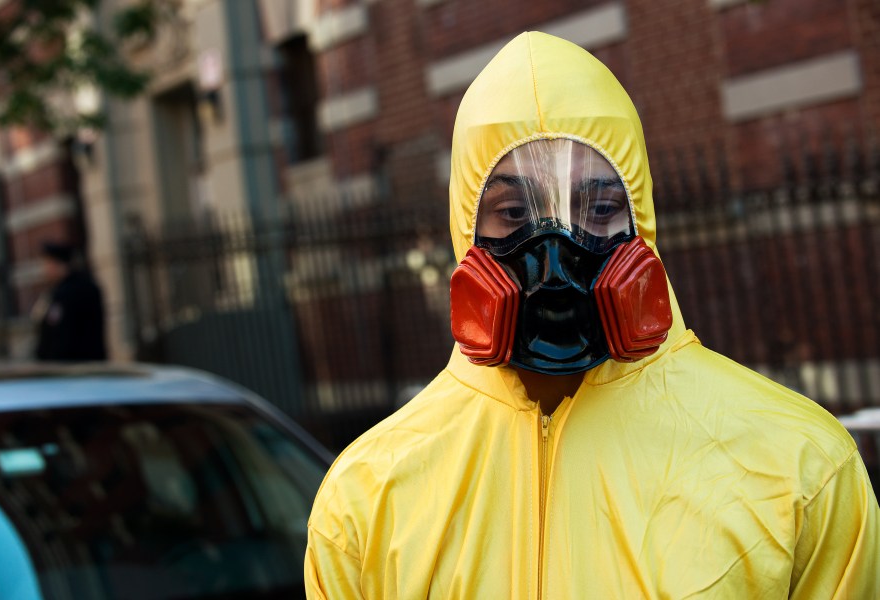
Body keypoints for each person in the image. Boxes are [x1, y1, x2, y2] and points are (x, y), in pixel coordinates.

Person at [304, 32, 879, 598]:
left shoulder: (799, 471)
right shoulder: (366, 502)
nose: (555, 254)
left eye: (600, 208)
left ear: (642, 223)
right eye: (512, 211)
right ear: (465, 232)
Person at [34, 241, 107, 361]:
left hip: (74, 368)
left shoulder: (67, 293)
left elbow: (62, 336)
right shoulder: (76, 287)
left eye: (47, 263)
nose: (44, 269)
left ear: (57, 264)